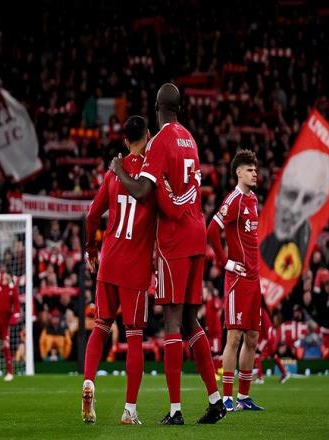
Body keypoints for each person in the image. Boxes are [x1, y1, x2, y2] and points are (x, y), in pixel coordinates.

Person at [110, 84, 225, 425]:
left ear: (157, 107)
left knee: (172, 322)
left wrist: (119, 171)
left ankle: (175, 410)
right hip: (197, 232)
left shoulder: (160, 141)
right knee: (191, 320)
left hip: (174, 240)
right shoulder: (190, 139)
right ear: (179, 108)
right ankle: (216, 401)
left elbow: (143, 192)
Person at [82, 115, 197, 425]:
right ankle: (129, 410)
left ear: (124, 141)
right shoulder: (152, 174)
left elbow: (91, 216)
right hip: (134, 269)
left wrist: (91, 251)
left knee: (100, 327)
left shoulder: (112, 173)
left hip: (108, 261)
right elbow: (169, 210)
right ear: (149, 135)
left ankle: (88, 381)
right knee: (134, 337)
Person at [207, 149, 264, 411]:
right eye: (250, 170)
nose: (255, 173)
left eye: (255, 169)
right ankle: (227, 398)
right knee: (234, 338)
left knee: (252, 338)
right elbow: (211, 230)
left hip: (254, 279)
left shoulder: (253, 200)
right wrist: (225, 262)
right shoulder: (234, 200)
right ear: (238, 172)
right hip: (238, 279)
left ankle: (243, 397)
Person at [260, 150, 329, 279]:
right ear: (278, 193)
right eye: (291, 194)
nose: (295, 209)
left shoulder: (310, 244)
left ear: (319, 203)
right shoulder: (260, 242)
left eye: (307, 199)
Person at [0, 268, 21, 382]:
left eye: (7, 275)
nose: (5, 276)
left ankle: (10, 372)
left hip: (5, 323)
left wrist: (14, 317)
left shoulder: (13, 289)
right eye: (4, 275)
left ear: (10, 276)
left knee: (6, 346)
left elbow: (17, 306)